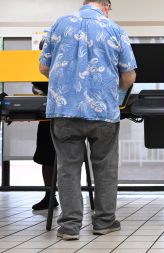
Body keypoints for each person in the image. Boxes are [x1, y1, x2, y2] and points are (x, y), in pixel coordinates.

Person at [39, 0, 136, 240]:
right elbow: (129, 75)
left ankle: (69, 227)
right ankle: (104, 222)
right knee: (105, 167)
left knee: (68, 169)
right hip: (102, 110)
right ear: (105, 6)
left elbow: (43, 67)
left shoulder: (59, 24)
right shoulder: (114, 29)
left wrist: (66, 81)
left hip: (64, 110)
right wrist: (118, 94)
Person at [30, 39, 59, 211]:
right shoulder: (39, 68)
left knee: (69, 158)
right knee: (46, 158)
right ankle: (49, 195)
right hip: (46, 118)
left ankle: (68, 196)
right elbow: (36, 91)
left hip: (66, 117)